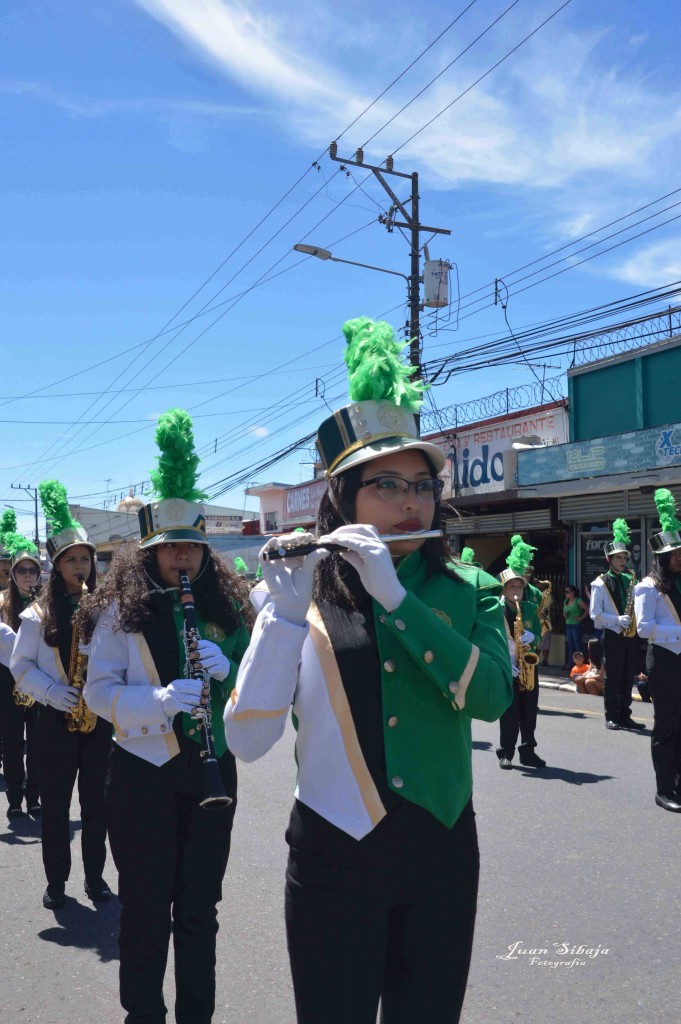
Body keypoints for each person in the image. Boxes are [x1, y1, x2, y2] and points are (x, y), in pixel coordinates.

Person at [225, 317, 513, 1024]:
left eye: (422, 484)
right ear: (343, 496)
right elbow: (246, 741)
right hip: (332, 851)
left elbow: (491, 699)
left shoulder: (468, 588)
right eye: (386, 485)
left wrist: (395, 597)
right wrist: (282, 618)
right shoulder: (297, 591)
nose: (411, 502)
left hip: (440, 850)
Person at [83, 409, 252, 1024]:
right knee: (147, 906)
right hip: (141, 774)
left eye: (192, 547)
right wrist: (157, 704)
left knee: (200, 908)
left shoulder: (228, 613)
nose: (182, 557)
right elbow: (97, 693)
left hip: (213, 773)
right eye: (169, 547)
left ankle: (196, 1016)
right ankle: (144, 1011)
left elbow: (257, 698)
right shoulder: (117, 614)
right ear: (149, 554)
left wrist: (230, 670)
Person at [10, 481, 113, 910]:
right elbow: (20, 667)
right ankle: (57, 882)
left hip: (96, 718)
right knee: (55, 807)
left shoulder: (106, 607)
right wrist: (52, 692)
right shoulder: (36, 614)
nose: (80, 566)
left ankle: (95, 877)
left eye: (85, 559)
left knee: (97, 805)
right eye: (71, 560)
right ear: (58, 564)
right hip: (55, 718)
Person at [634, 488, 681, 812]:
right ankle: (663, 788)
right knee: (666, 724)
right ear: (663, 557)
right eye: (676, 554)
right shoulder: (647, 587)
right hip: (663, 660)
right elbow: (643, 628)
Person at [0, 529, 42, 818]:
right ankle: (15, 799)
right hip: (7, 680)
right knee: (13, 743)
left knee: (38, 744)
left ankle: (34, 797)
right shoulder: (1, 601)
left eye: (32, 570)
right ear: (13, 574)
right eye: (21, 570)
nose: (27, 576)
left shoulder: (47, 603)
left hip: (39, 681)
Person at [589, 517, 644, 732]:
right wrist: (616, 620)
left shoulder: (630, 580)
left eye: (624, 557)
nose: (622, 561)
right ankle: (611, 716)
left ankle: (625, 715)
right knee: (613, 678)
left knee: (627, 677)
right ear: (608, 559)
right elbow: (595, 615)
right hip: (612, 635)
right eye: (618, 557)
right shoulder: (600, 583)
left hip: (630, 636)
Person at [496, 536, 545, 770]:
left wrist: (532, 638)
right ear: (504, 589)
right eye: (513, 586)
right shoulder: (494, 610)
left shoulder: (531, 609)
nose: (517, 591)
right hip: (508, 667)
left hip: (528, 667)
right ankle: (506, 752)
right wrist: (507, 661)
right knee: (509, 713)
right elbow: (491, 641)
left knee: (529, 711)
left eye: (520, 586)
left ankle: (528, 751)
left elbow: (539, 633)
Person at [563, 584, 588, 668]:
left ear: (572, 592)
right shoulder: (565, 601)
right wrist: (565, 615)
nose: (566, 594)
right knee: (570, 646)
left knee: (578, 646)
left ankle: (580, 664)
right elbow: (564, 612)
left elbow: (587, 609)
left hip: (576, 625)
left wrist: (581, 618)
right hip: (568, 625)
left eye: (567, 592)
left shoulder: (578, 601)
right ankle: (571, 664)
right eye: (565, 592)